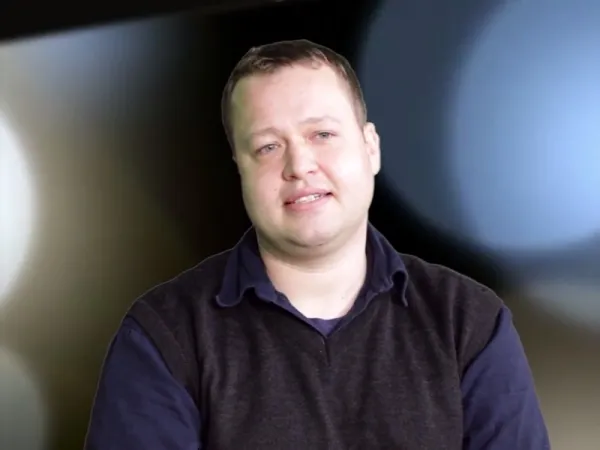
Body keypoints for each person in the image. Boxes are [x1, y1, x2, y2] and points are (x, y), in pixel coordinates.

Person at [84, 39, 550, 449]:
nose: (299, 165)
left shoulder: (469, 323)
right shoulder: (164, 336)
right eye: (268, 147)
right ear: (240, 170)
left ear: (371, 148)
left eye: (322, 135)